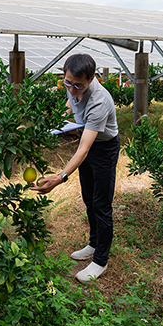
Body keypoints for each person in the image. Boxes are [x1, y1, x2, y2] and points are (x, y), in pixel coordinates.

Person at [31, 53, 120, 283]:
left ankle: (101, 260)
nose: (71, 88)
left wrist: (60, 177)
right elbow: (71, 103)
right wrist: (56, 122)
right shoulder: (72, 84)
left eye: (77, 85)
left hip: (104, 148)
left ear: (91, 79)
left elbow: (83, 149)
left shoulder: (100, 100)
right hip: (88, 141)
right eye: (67, 82)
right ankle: (93, 243)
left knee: (101, 204)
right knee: (89, 198)